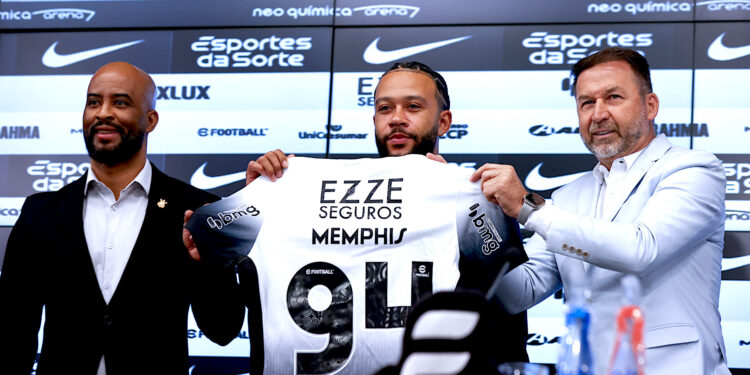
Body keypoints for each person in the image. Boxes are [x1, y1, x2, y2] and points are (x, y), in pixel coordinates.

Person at [183, 62, 529, 374]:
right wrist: (256, 202)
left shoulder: (471, 199)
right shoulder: (287, 188)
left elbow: (509, 328)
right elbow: (222, 329)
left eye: (412, 106)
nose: (396, 117)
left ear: (444, 121)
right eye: (384, 108)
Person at [477, 47, 729, 374]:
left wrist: (528, 206)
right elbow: (521, 290)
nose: (597, 114)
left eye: (612, 98)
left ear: (650, 106)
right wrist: (455, 221)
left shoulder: (694, 169)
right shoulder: (569, 196)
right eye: (586, 103)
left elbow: (641, 249)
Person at [0, 62, 244, 374]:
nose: (102, 113)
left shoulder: (199, 209)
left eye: (120, 102)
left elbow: (223, 331)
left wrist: (210, 264)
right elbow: (12, 332)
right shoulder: (40, 212)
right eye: (93, 102)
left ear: (150, 120)